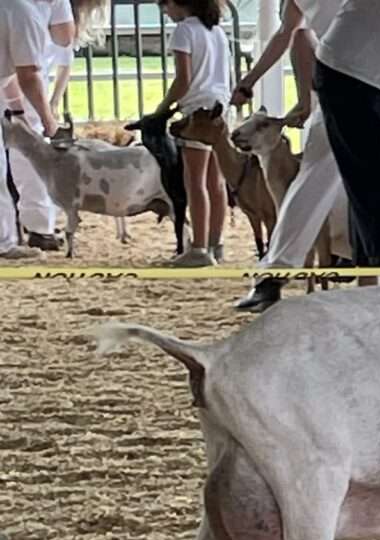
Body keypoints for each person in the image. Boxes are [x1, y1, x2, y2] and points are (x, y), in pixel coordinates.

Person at [230, 0, 354, 311]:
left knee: (315, 180)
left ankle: (277, 272)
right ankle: (373, 265)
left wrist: (302, 96)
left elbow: (293, 34)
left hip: (355, 82)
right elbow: (293, 33)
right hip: (363, 82)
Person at [313, 0, 380, 287]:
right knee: (378, 185)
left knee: (370, 187)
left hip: (364, 67)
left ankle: (372, 284)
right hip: (350, 68)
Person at [152, 0, 231, 268]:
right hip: (219, 107)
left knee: (194, 182)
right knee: (215, 182)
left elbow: (183, 79)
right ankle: (215, 243)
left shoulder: (184, 31)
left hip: (197, 110)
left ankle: (198, 248)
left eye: (165, 6)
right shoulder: (217, 31)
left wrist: (162, 109)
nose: (165, 12)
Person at [3, 0, 74, 254]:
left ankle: (7, 237)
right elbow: (28, 72)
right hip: (23, 84)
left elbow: (9, 75)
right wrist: (48, 120)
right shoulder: (24, 13)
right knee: (28, 157)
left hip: (9, 86)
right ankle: (37, 228)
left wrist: (17, 107)